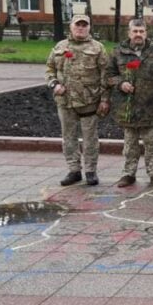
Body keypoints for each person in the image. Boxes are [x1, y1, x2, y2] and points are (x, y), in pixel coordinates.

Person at [103, 18, 153, 188]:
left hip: (150, 105)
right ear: (129, 33)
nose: (138, 35)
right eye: (135, 31)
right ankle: (128, 173)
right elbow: (108, 76)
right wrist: (121, 83)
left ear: (146, 32)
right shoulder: (118, 52)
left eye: (141, 31)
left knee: (151, 142)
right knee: (130, 143)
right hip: (127, 107)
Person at [45, 14, 109, 186]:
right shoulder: (60, 46)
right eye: (77, 25)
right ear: (71, 27)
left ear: (89, 28)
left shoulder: (98, 48)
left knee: (90, 138)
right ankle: (74, 170)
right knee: (68, 137)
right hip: (65, 101)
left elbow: (106, 75)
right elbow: (50, 68)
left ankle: (90, 171)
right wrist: (54, 84)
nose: (81, 28)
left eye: (84, 25)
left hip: (89, 100)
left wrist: (104, 99)